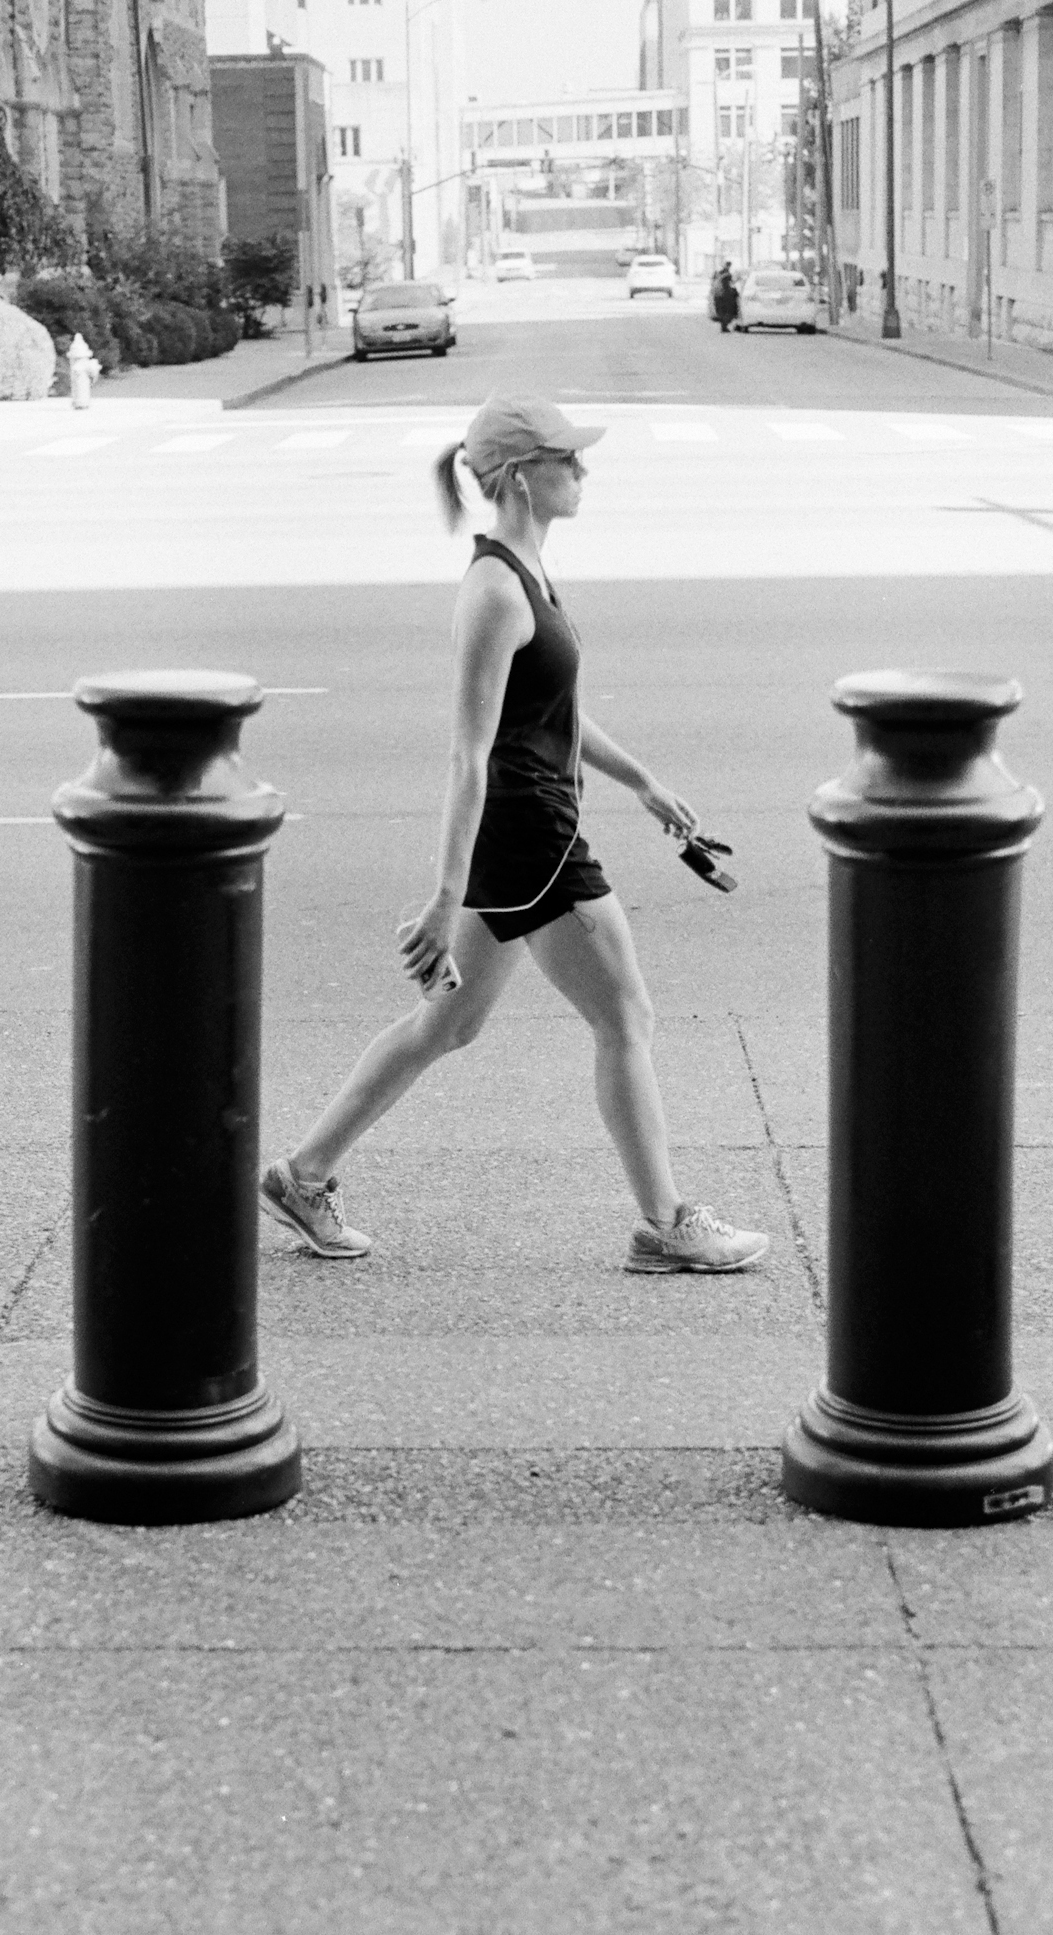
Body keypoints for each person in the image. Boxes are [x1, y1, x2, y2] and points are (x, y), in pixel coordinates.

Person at [260, 394, 768, 1276]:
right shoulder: (496, 590)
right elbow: (470, 752)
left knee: (445, 1026)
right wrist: (444, 892)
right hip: (531, 838)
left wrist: (644, 781)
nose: (583, 470)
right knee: (625, 1015)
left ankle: (303, 1175)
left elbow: (549, 713)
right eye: (568, 457)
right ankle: (666, 1221)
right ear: (522, 476)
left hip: (528, 828)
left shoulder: (524, 571)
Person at [712, 261, 740, 333]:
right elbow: (728, 285)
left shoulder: (718, 273)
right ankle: (724, 327)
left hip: (717, 295)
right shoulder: (727, 275)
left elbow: (713, 282)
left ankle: (723, 326)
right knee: (728, 311)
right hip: (725, 296)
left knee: (722, 312)